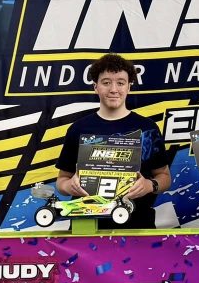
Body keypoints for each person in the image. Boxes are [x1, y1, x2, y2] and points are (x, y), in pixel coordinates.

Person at [55, 53, 170, 228]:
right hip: (88, 225)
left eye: (120, 83)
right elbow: (62, 180)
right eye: (106, 82)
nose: (114, 89)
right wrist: (69, 185)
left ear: (129, 87)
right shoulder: (78, 129)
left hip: (137, 223)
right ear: (96, 87)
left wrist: (149, 185)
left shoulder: (147, 128)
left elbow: (165, 176)